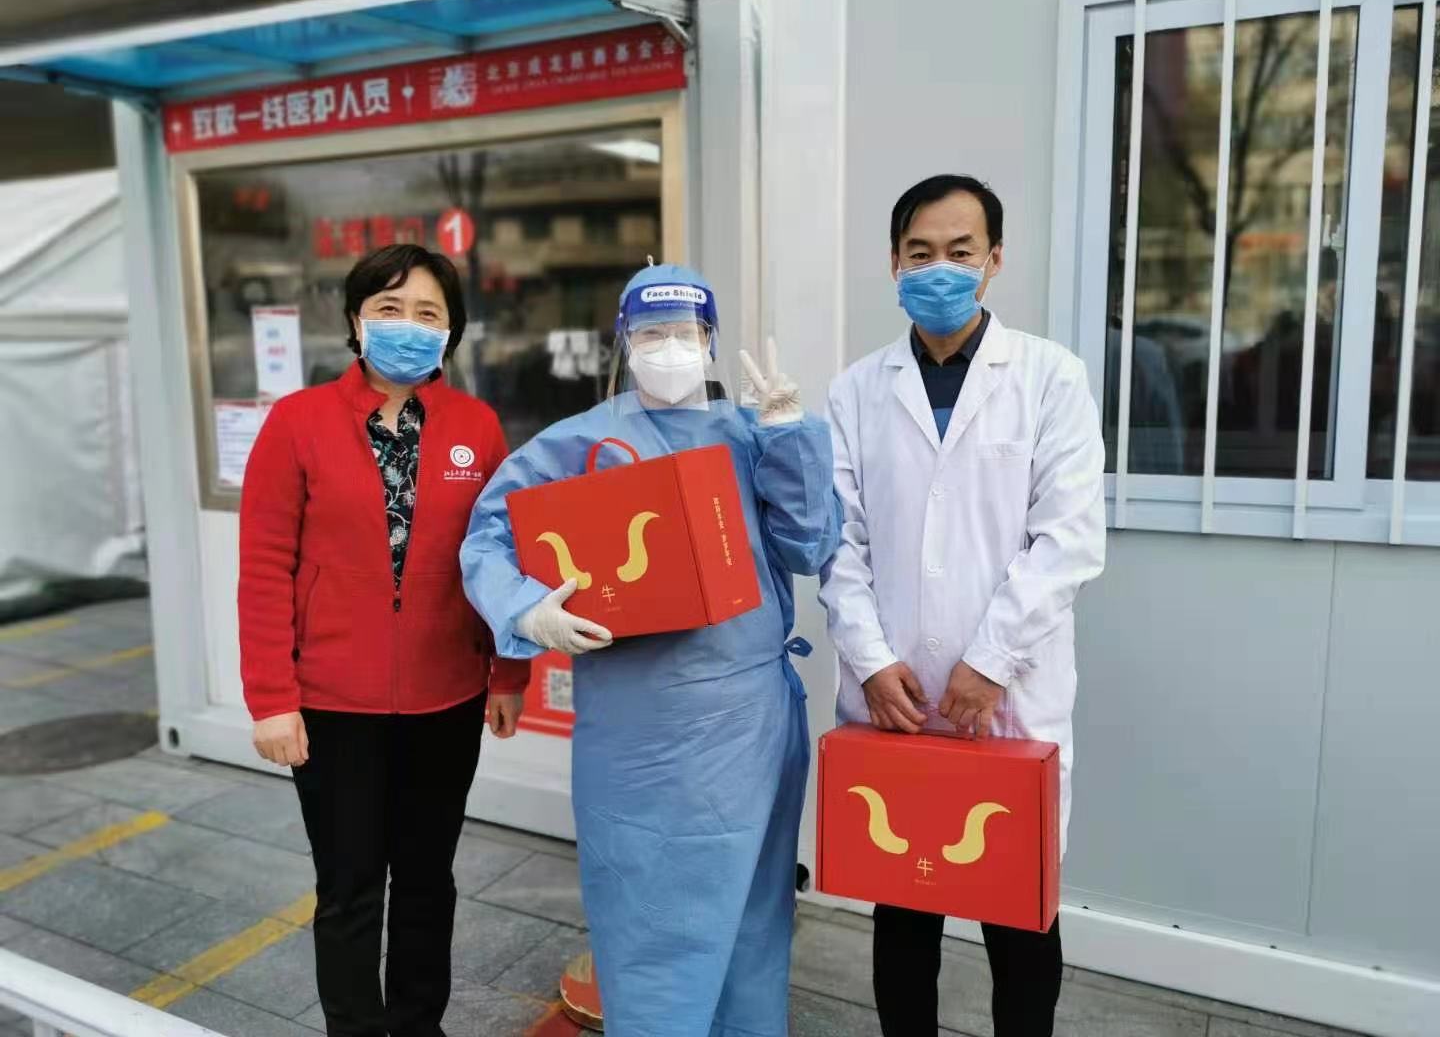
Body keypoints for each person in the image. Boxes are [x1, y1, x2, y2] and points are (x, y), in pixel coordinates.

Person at [460, 263, 842, 1036]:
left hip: (752, 720)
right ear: (625, 342)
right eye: (652, 333)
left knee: (755, 915)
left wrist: (790, 439)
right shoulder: (578, 443)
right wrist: (529, 611)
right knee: (650, 923)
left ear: (712, 341)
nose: (671, 347)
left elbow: (812, 546)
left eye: (688, 332)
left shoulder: (753, 432)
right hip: (641, 732)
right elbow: (486, 537)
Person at [819, 175, 1106, 1037]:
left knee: (1019, 917)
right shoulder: (856, 390)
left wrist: (989, 663)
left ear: (994, 261)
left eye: (960, 251)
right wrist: (872, 661)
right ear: (893, 263)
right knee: (904, 909)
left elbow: (1068, 539)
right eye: (920, 253)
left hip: (1009, 699)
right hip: (896, 697)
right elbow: (839, 542)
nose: (938, 268)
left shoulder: (1050, 377)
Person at [238, 243, 530, 1037]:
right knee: (350, 887)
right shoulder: (297, 422)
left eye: (428, 312)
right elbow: (263, 567)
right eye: (389, 308)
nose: (408, 325)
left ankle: (418, 1024)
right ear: (356, 320)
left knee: (429, 881)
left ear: (451, 331)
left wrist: (510, 674)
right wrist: (271, 698)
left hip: (448, 698)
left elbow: (502, 558)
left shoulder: (476, 427)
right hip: (334, 707)